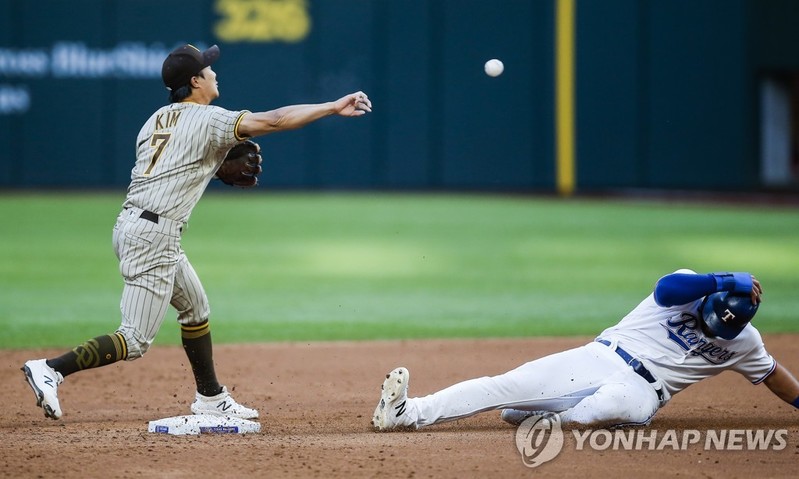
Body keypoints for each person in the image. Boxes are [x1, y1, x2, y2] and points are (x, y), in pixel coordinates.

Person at [22, 43, 372, 420]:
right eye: (208, 69)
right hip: (153, 235)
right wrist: (332, 107)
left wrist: (216, 163)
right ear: (194, 81)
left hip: (137, 225)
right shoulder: (208, 119)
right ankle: (52, 369)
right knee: (135, 339)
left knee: (195, 308)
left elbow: (173, 166)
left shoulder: (154, 120)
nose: (214, 72)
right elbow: (274, 120)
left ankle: (210, 397)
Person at [372, 269, 799, 430]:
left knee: (605, 408)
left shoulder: (745, 343)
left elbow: (776, 377)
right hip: (597, 356)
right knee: (502, 385)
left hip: (643, 391)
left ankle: (543, 418)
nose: (713, 329)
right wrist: (724, 279)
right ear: (710, 300)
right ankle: (407, 413)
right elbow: (666, 287)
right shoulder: (688, 289)